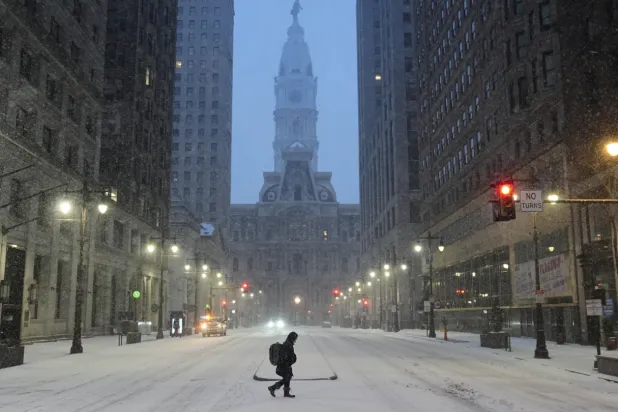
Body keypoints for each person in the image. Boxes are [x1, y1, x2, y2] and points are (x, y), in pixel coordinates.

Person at [268, 331, 298, 398]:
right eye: (295, 339)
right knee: (287, 378)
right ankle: (273, 388)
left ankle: (285, 393)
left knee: (287, 377)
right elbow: (286, 357)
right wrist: (292, 359)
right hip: (283, 367)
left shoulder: (288, 344)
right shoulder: (288, 346)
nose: (295, 340)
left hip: (284, 366)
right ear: (292, 338)